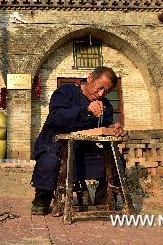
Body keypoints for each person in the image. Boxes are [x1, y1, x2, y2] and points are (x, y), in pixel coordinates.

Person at [29, 66, 125, 215]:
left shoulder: (105, 105)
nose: (101, 94)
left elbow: (105, 126)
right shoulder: (65, 92)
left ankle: (104, 198)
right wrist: (86, 110)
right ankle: (43, 198)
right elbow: (56, 117)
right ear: (90, 78)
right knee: (50, 159)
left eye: (106, 91)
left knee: (114, 158)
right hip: (57, 146)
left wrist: (114, 128)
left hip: (83, 150)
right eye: (99, 88)